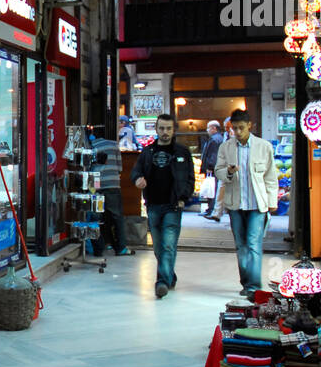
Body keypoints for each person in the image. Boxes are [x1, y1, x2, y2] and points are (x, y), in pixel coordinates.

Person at [214, 108, 279, 297]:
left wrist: (271, 200)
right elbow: (218, 171)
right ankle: (246, 282)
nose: (238, 132)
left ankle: (254, 287)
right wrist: (228, 172)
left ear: (250, 125)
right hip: (235, 204)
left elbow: (270, 176)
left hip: (257, 204)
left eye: (241, 127)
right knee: (240, 245)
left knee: (253, 243)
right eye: (234, 128)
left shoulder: (263, 146)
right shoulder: (226, 147)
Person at [130, 113, 194, 299]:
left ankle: (162, 282)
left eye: (168, 128)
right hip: (153, 206)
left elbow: (190, 178)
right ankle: (169, 276)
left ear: (174, 130)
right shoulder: (147, 152)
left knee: (167, 245)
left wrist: (184, 197)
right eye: (161, 128)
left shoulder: (182, 152)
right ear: (156, 129)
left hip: (173, 206)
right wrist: (137, 180)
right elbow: (136, 172)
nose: (165, 132)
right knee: (159, 247)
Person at [88, 127, 134, 257]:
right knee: (116, 217)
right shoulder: (114, 145)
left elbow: (89, 167)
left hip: (97, 186)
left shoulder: (92, 146)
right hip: (113, 185)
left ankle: (99, 248)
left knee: (97, 217)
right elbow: (119, 168)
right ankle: (121, 248)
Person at [200, 121, 225, 219]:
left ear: (214, 128)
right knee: (212, 189)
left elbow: (213, 155)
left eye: (208, 128)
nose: (207, 130)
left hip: (213, 169)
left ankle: (212, 210)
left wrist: (210, 167)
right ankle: (210, 209)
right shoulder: (217, 139)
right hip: (214, 168)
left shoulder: (215, 140)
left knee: (213, 189)